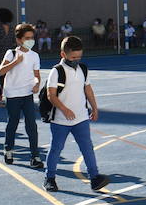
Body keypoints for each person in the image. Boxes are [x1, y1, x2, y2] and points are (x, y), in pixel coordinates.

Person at [43, 35, 108, 193]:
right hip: (60, 120)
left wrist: (95, 107)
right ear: (63, 55)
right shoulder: (56, 71)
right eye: (73, 57)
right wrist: (64, 109)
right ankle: (49, 178)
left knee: (87, 148)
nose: (77, 60)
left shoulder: (82, 69)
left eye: (79, 57)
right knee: (56, 149)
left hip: (81, 118)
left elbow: (88, 89)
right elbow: (51, 95)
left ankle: (94, 177)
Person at [0, 23, 44, 168]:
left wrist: (36, 84)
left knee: (32, 125)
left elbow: (37, 75)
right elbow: (1, 71)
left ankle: (35, 156)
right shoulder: (11, 53)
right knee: (13, 122)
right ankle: (8, 149)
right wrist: (15, 62)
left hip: (27, 94)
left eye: (32, 38)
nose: (31, 40)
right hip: (12, 94)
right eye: (27, 38)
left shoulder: (35, 56)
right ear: (19, 40)